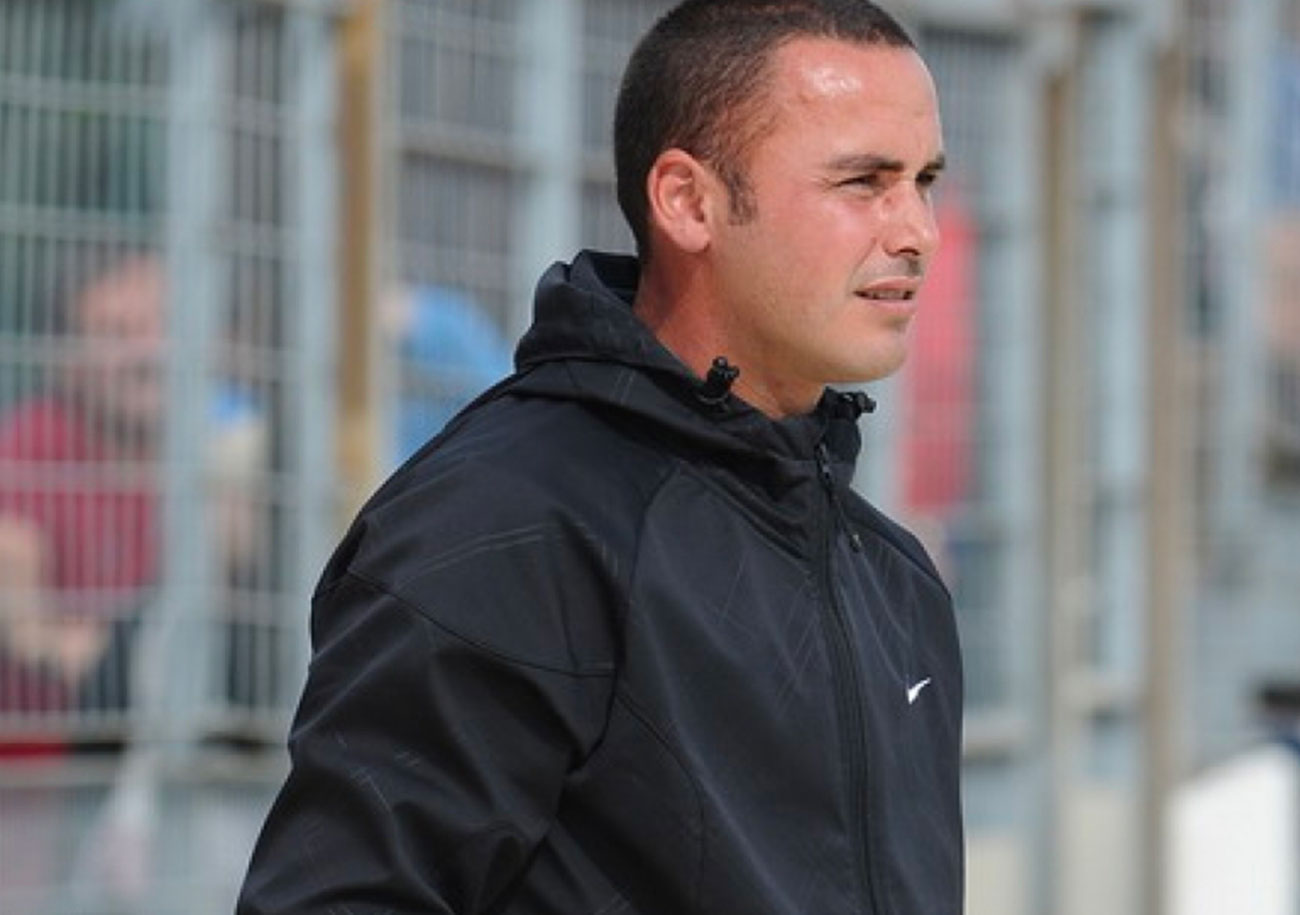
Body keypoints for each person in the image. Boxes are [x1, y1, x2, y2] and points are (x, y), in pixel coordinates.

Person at [237, 1, 963, 913]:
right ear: (689, 202)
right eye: (864, 182)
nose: (916, 230)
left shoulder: (894, 578)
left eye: (924, 179)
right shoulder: (504, 525)